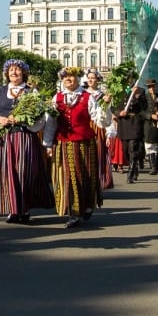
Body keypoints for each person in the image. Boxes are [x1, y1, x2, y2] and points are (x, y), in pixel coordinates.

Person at [0, 59, 53, 223]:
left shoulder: (32, 92)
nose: (14, 73)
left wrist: (23, 120)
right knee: (6, 173)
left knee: (25, 173)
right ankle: (13, 209)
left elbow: (41, 118)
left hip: (24, 138)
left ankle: (24, 208)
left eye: (17, 70)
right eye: (10, 70)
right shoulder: (0, 91)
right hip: (5, 139)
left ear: (24, 73)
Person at [47, 67, 105, 228]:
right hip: (63, 143)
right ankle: (73, 212)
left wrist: (105, 110)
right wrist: (47, 144)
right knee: (68, 177)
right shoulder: (57, 98)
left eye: (72, 77)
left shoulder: (88, 97)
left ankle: (87, 205)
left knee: (85, 175)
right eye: (65, 77)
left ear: (78, 79)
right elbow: (51, 123)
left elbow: (99, 119)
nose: (68, 79)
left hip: (85, 143)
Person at [83, 69, 113, 188]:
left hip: (98, 127)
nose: (90, 80)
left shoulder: (103, 96)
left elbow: (108, 114)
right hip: (85, 125)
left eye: (93, 78)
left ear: (98, 80)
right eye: (89, 77)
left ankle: (99, 181)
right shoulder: (83, 94)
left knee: (99, 153)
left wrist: (109, 133)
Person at [115, 84, 146, 183]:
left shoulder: (140, 91)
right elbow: (113, 106)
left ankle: (131, 172)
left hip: (134, 123)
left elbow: (144, 106)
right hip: (123, 124)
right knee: (125, 150)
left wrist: (135, 96)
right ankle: (134, 165)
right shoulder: (118, 90)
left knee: (133, 148)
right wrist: (118, 113)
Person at [142, 80, 158, 174]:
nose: (151, 88)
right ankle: (153, 167)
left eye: (153, 86)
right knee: (149, 145)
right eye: (149, 87)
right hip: (149, 125)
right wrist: (150, 115)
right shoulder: (144, 98)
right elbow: (141, 112)